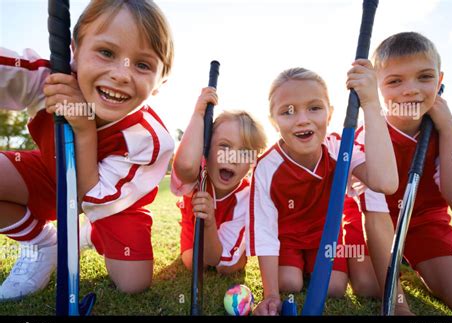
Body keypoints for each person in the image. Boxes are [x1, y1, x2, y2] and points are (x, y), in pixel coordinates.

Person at [0, 0, 175, 299]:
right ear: (75, 52)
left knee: (133, 283)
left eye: (142, 65)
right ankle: (43, 244)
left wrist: (83, 129)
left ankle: (92, 234)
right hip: (48, 173)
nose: (121, 74)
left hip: (112, 204)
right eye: (106, 53)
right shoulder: (52, 80)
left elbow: (88, 199)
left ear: (160, 82)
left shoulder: (150, 138)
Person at [249, 66, 399, 315]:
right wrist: (271, 294)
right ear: (273, 122)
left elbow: (385, 183)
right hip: (287, 239)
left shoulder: (340, 148)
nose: (302, 119)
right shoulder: (266, 167)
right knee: (289, 283)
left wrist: (371, 103)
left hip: (325, 238)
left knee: (335, 287)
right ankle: (299, 268)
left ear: (330, 115)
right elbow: (264, 231)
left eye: (314, 108)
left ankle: (314, 266)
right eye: (287, 112)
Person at [344, 32, 452, 314]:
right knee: (369, 286)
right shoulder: (367, 136)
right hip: (375, 226)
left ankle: (416, 261)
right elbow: (375, 216)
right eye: (394, 81)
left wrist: (446, 126)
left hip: (426, 225)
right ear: (377, 87)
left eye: (424, 77)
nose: (411, 89)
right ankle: (397, 263)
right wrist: (397, 303)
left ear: (439, 81)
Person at [172, 86, 267, 274]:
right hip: (195, 225)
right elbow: (183, 166)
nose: (231, 157)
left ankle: (232, 250)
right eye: (224, 146)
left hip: (223, 226)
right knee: (195, 263)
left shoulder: (248, 198)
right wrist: (198, 115)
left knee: (227, 267)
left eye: (243, 152)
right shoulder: (197, 173)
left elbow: (216, 258)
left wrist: (210, 222)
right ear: (206, 148)